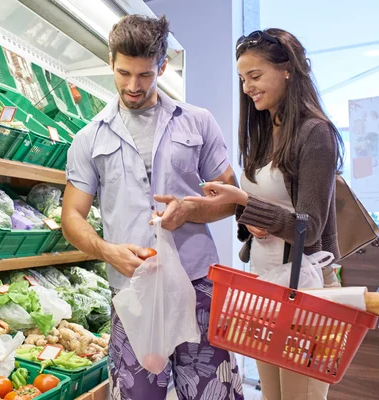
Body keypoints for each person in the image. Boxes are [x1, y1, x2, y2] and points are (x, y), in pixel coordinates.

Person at [61, 14, 244, 400]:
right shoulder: (88, 138)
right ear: (111, 62)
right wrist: (107, 251)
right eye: (124, 72)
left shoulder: (197, 122)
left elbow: (232, 197)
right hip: (133, 292)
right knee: (137, 395)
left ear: (162, 65)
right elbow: (71, 218)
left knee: (215, 392)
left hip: (197, 285)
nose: (133, 85)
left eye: (145, 74)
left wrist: (191, 210)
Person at [183, 28, 345, 400]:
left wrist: (243, 202)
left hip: (307, 290)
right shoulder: (264, 131)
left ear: (287, 69)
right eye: (242, 79)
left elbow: (311, 227)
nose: (247, 88)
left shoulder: (315, 133)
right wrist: (246, 219)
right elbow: (265, 213)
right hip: (265, 283)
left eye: (255, 77)